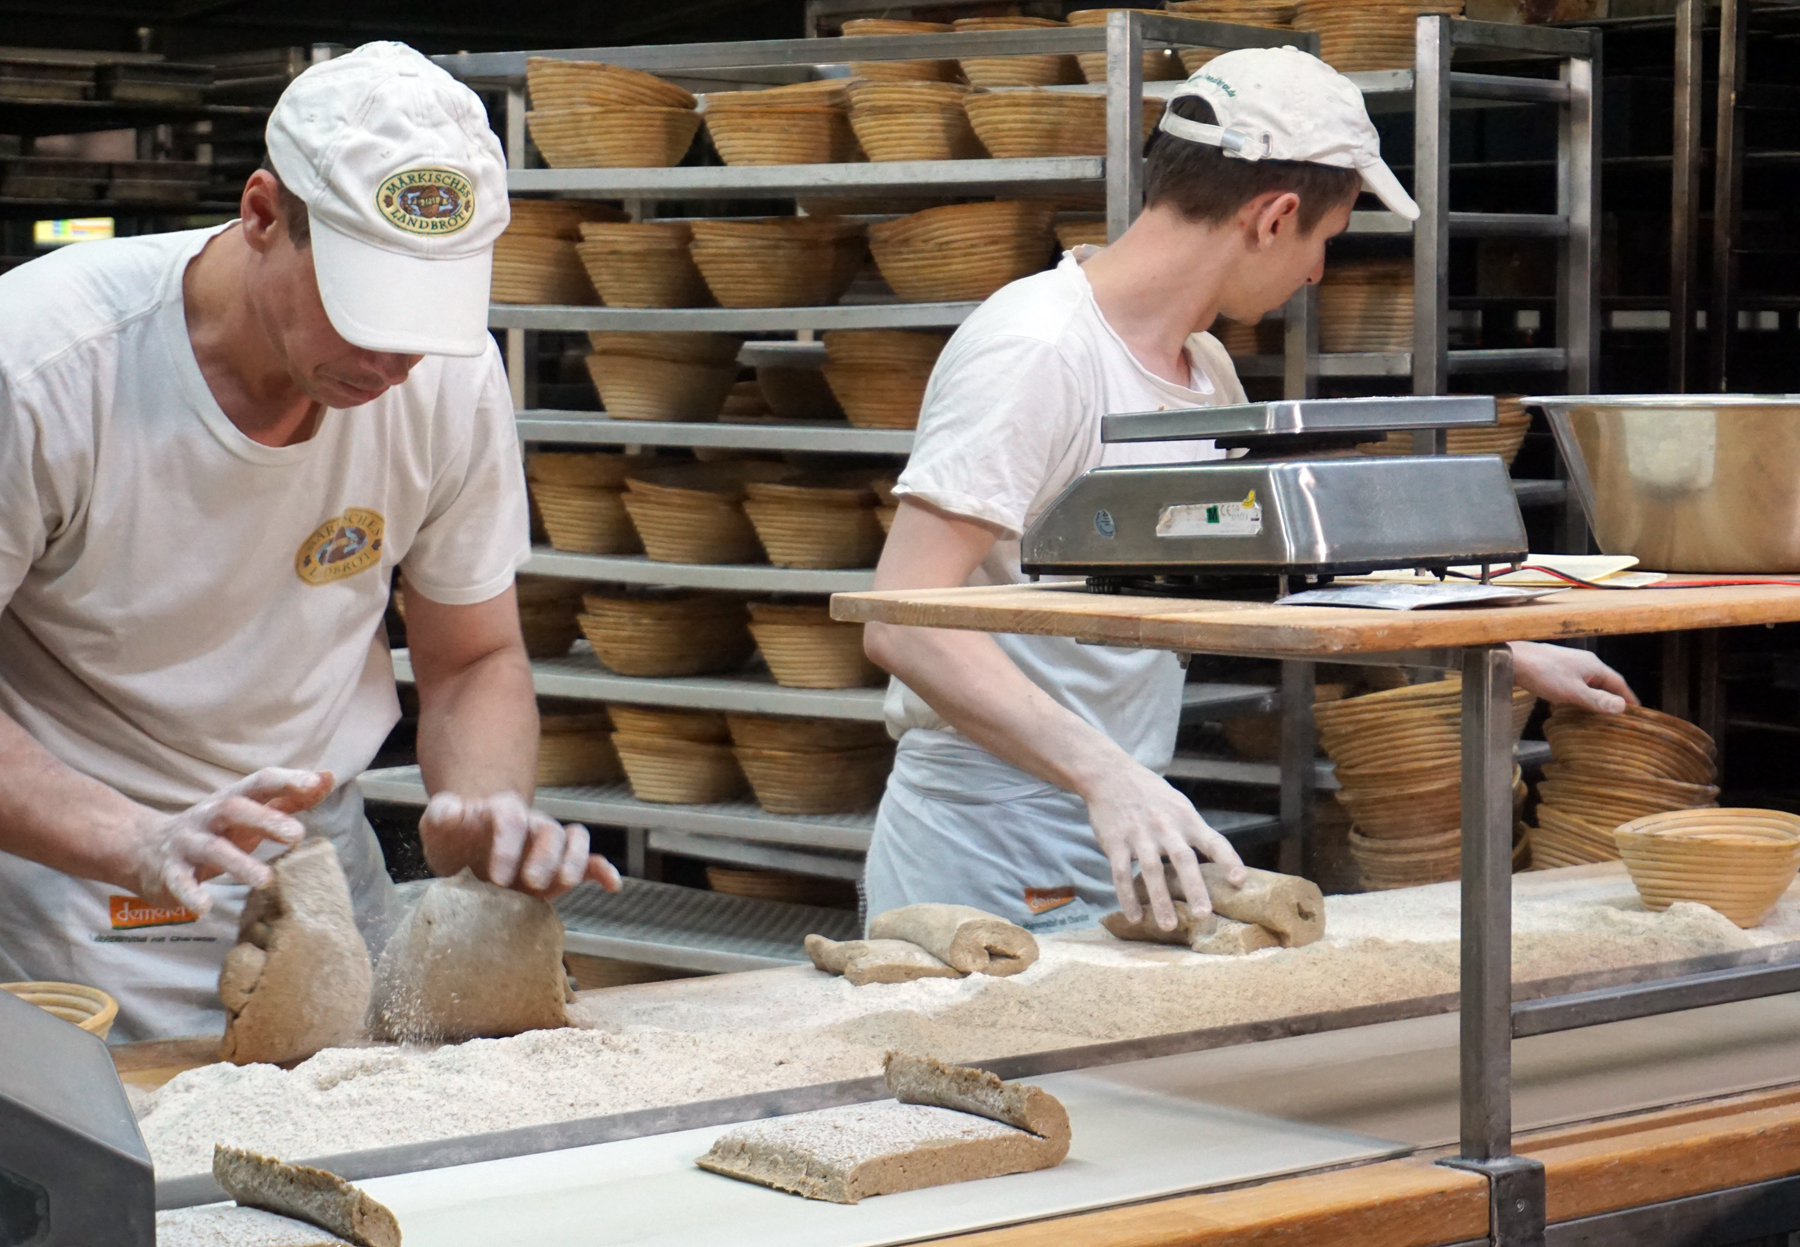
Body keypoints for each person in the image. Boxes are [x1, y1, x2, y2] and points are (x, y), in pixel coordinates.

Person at [861, 47, 1637, 937]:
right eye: (1326, 243)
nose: (1315, 276)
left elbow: (1260, 574)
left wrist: (1479, 642)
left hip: (1123, 812)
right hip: (989, 829)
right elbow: (902, 617)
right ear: (1274, 217)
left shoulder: (1205, 369)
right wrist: (1102, 772)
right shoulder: (1038, 351)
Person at [0, 42, 618, 1043]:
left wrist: (480, 807)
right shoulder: (42, 367)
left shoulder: (443, 384)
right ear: (259, 214)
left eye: (425, 319)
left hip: (323, 877)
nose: (391, 360)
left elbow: (474, 657)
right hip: (78, 897)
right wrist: (140, 840)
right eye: (363, 308)